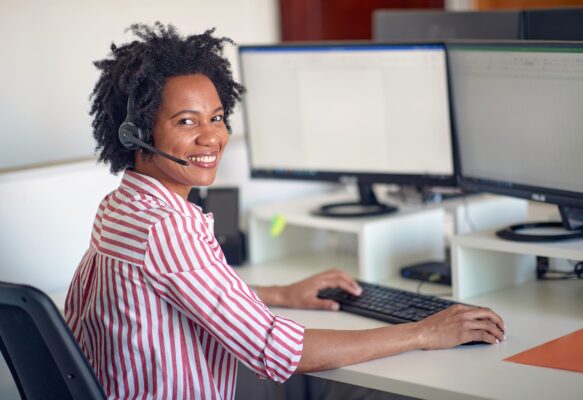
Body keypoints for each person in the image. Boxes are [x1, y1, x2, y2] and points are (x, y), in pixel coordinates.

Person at [65, 22, 506, 400]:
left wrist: (281, 294)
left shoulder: (123, 206)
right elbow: (280, 352)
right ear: (135, 132)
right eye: (187, 121)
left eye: (217, 118)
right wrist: (425, 332)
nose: (212, 138)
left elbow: (189, 292)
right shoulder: (167, 227)